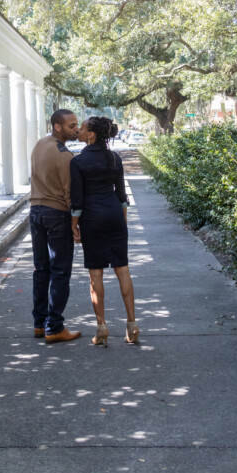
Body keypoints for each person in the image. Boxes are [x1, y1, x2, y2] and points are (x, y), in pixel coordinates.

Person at [70, 116, 139, 347]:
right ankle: (132, 326)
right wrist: (123, 221)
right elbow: (122, 195)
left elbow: (77, 200)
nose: (78, 131)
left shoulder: (78, 162)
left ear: (91, 134)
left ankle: (102, 328)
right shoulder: (114, 158)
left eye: (82, 128)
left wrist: (73, 226)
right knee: (123, 270)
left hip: (92, 218)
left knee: (95, 275)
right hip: (115, 216)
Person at [29, 108, 82, 344]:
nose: (76, 129)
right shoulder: (65, 155)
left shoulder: (40, 144)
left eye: (77, 124)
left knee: (41, 269)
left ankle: (39, 324)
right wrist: (75, 224)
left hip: (35, 212)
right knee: (60, 271)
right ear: (57, 126)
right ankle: (55, 327)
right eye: (72, 125)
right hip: (56, 215)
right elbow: (69, 194)